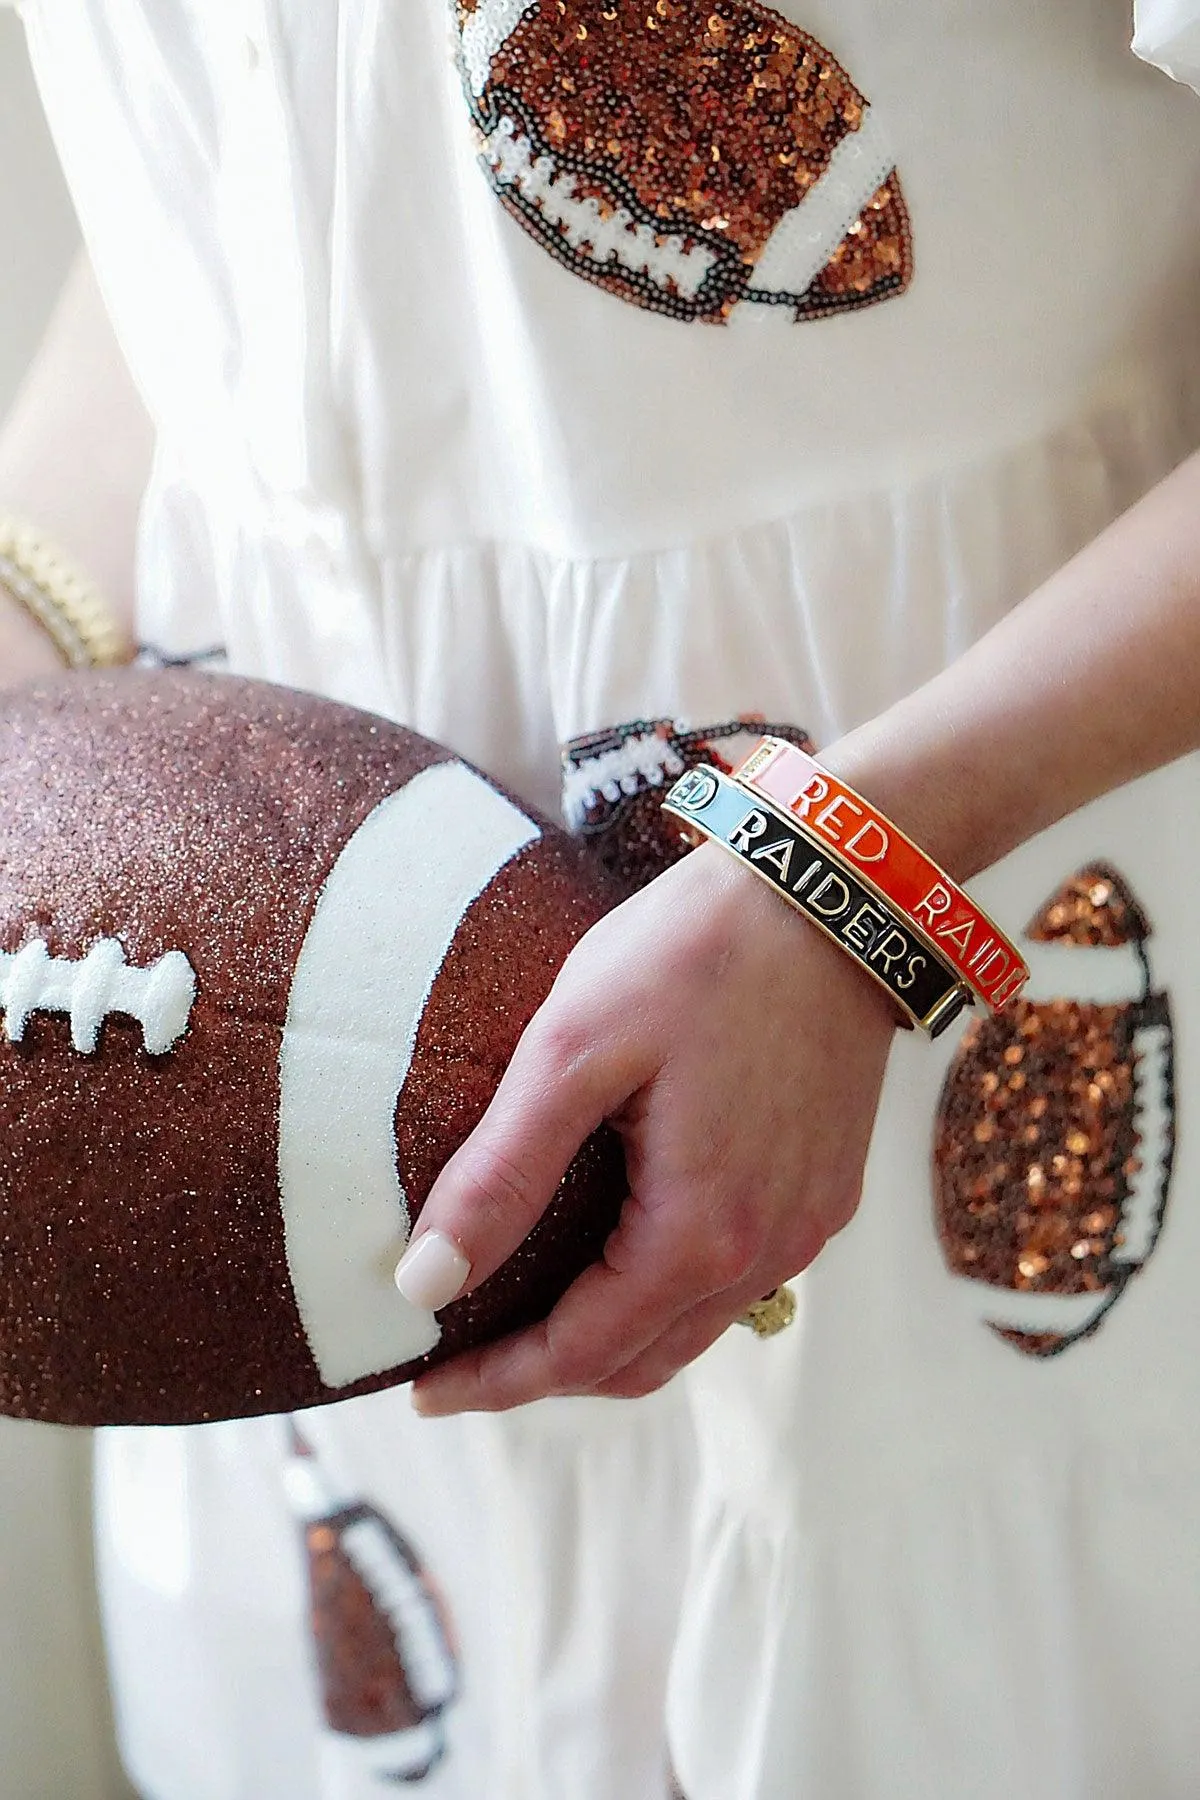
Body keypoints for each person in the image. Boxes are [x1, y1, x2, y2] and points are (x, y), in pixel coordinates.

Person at [2, 1, 1200, 1796]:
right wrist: (30, 663)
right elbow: (230, 170)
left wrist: (852, 883)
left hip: (975, 1052)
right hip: (270, 1208)